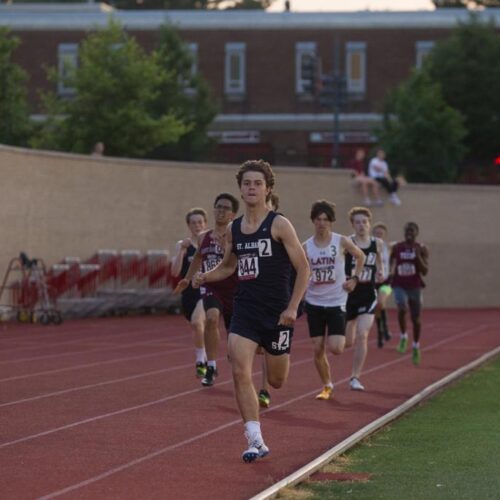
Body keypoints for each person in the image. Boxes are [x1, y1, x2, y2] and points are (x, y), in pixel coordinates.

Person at [193, 159, 310, 463]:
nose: (252, 188)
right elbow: (229, 266)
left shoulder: (280, 224)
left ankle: (272, 355)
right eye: (247, 183)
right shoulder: (235, 228)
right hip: (245, 308)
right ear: (241, 190)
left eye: (258, 183)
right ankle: (254, 438)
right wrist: (206, 275)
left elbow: (303, 268)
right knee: (238, 368)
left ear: (268, 188)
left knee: (277, 380)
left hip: (277, 313)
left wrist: (293, 307)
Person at [174, 193, 240, 387]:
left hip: (234, 289)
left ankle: (236, 363)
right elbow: (197, 259)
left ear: (233, 214)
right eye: (218, 207)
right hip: (211, 286)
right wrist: (187, 279)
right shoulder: (204, 237)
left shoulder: (236, 235)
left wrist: (227, 249)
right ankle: (211, 366)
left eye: (225, 208)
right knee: (210, 318)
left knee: (234, 338)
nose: (220, 211)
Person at [303, 200, 365, 401]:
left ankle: (350, 326)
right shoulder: (306, 246)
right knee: (317, 347)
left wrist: (355, 278)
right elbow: (300, 270)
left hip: (336, 301)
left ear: (331, 222)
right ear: (313, 221)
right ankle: (327, 385)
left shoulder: (341, 241)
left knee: (337, 348)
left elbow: (360, 256)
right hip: (313, 302)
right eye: (318, 219)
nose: (322, 223)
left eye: (326, 220)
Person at [344, 207, 384, 391]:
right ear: (353, 225)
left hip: (368, 294)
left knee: (363, 334)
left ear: (369, 224)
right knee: (348, 341)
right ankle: (348, 328)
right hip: (348, 296)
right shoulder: (347, 243)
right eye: (357, 222)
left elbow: (379, 263)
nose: (361, 225)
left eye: (364, 222)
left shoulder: (378, 243)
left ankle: (355, 377)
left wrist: (381, 272)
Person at [171, 208, 208, 378]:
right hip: (188, 293)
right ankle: (206, 358)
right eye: (193, 222)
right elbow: (174, 272)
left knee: (197, 323)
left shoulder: (210, 242)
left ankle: (200, 360)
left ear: (205, 223)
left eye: (200, 222)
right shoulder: (182, 245)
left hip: (206, 290)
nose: (197, 225)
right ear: (188, 225)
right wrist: (182, 251)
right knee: (197, 328)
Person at [390, 222, 429, 365]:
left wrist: (417, 256)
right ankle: (403, 336)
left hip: (415, 287)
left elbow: (425, 271)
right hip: (399, 284)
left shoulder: (421, 248)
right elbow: (390, 261)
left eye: (412, 231)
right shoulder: (397, 247)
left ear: (416, 233)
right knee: (401, 308)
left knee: (416, 319)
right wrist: (390, 272)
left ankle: (416, 346)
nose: (409, 233)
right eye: (407, 231)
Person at [372, 222, 393, 348]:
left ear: (384, 235)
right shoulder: (369, 247)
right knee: (379, 306)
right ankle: (381, 332)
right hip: (372, 282)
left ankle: (384, 329)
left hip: (386, 281)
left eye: (381, 234)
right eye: (377, 233)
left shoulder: (388, 247)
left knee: (380, 302)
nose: (379, 235)